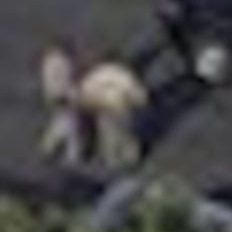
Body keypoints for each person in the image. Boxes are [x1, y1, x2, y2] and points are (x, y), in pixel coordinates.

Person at [76, 54, 151, 172]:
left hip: (102, 108)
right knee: (124, 134)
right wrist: (141, 101)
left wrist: (90, 106)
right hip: (118, 108)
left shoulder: (97, 74)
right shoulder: (120, 74)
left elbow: (85, 92)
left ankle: (113, 160)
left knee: (109, 135)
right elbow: (133, 89)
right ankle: (130, 158)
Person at [37, 40, 89, 169]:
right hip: (65, 96)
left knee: (63, 122)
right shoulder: (62, 62)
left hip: (56, 95)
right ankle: (72, 157)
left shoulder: (49, 61)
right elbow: (68, 79)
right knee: (72, 125)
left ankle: (48, 148)